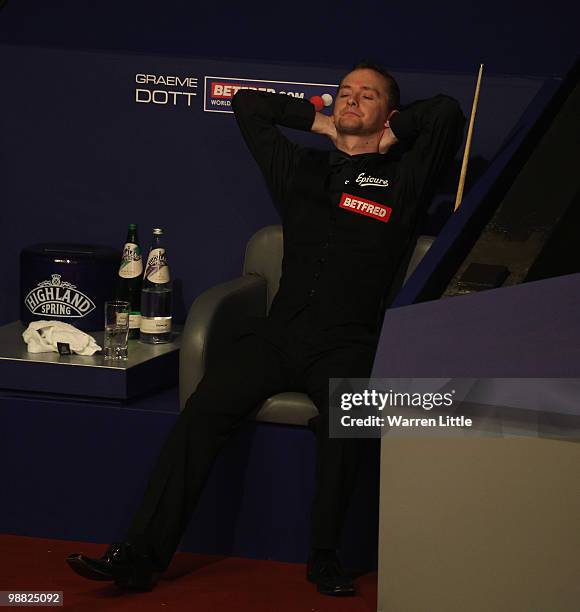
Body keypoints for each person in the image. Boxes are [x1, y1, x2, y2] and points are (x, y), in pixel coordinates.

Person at [66, 61, 465, 597]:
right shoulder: (298, 168)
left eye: (366, 96)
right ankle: (140, 556)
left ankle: (325, 557)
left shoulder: (405, 178)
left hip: (349, 340)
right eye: (344, 92)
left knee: (346, 419)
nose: (350, 100)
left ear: (388, 113)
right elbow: (248, 106)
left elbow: (445, 113)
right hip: (279, 334)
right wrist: (320, 121)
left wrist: (393, 132)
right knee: (204, 409)